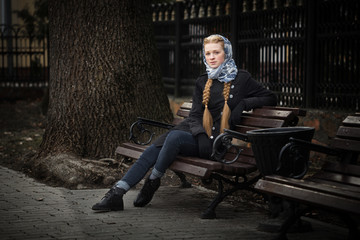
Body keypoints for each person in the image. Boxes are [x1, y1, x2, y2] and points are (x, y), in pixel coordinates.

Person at [92, 34, 277, 211]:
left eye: (216, 52)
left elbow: (270, 97)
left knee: (173, 137)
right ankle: (117, 193)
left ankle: (153, 180)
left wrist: (244, 103)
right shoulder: (203, 81)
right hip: (197, 136)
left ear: (226, 53)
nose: (211, 57)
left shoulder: (242, 78)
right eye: (208, 53)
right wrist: (200, 134)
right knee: (153, 149)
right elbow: (195, 115)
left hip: (216, 143)